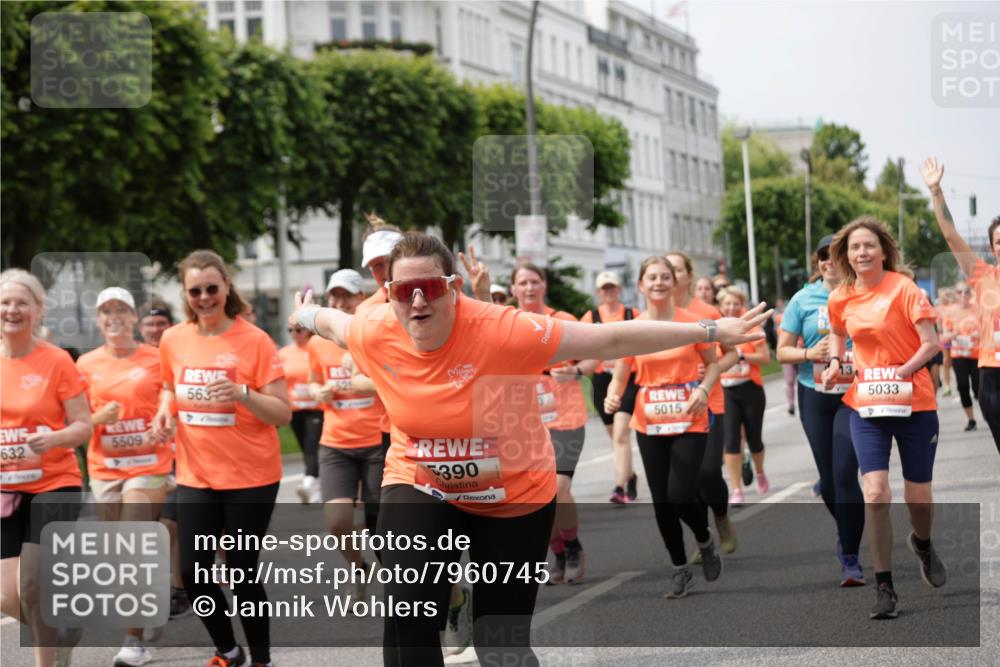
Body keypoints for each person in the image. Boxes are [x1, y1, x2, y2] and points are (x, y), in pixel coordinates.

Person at [290, 232, 769, 665]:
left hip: (512, 490)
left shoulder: (504, 329)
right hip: (421, 480)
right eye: (402, 291)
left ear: (454, 287)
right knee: (409, 614)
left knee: (501, 644)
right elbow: (331, 321)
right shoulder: (373, 328)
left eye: (431, 288)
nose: (417, 301)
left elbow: (613, 337)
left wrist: (710, 331)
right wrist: (303, 313)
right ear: (389, 295)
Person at [151, 250, 291, 667]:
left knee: (241, 572)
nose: (205, 297)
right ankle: (228, 650)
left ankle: (262, 658)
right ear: (185, 293)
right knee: (194, 574)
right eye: (195, 290)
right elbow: (168, 386)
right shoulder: (173, 339)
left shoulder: (255, 340)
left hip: (252, 477)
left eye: (212, 288)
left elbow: (282, 412)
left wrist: (243, 394)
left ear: (226, 287)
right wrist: (164, 411)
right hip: (196, 476)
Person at [823, 216, 946, 620]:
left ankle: (923, 545)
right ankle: (885, 587)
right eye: (855, 247)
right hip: (867, 406)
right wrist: (835, 364)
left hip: (914, 402)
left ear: (883, 250)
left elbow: (931, 344)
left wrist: (903, 369)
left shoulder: (905, 289)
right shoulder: (841, 297)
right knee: (875, 492)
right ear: (846, 254)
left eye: (869, 246)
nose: (862, 253)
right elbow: (839, 338)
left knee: (918, 498)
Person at [605, 256, 726, 598]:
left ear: (675, 284)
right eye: (652, 278)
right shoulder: (633, 329)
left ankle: (703, 539)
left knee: (679, 494)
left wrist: (703, 389)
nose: (659, 282)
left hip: (690, 417)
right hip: (650, 422)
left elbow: (713, 365)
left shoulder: (693, 323)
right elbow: (620, 375)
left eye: (665, 277)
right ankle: (679, 568)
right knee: (661, 503)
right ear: (641, 285)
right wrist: (612, 398)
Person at [76, 287, 175, 666]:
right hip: (105, 470)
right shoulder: (84, 364)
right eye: (106, 311)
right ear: (99, 320)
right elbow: (74, 421)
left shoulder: (155, 359)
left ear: (135, 318)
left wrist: (166, 424)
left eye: (121, 310)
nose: (114, 316)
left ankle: (134, 641)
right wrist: (98, 420)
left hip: (149, 467)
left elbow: (173, 399)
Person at [1, 269, 93, 667]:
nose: (12, 309)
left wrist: (54, 439)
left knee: (35, 582)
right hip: (5, 488)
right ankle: (62, 628)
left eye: (22, 302)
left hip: (54, 481)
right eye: (5, 302)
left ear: (38, 310)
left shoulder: (56, 361)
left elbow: (83, 425)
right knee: (7, 593)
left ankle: (46, 662)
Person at [778, 235, 866, 587]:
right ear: (817, 263)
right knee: (829, 481)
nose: (829, 261)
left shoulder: (862, 293)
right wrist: (808, 354)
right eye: (822, 257)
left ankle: (850, 556)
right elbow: (781, 352)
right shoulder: (802, 299)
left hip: (853, 394)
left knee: (845, 476)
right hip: (814, 393)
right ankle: (846, 529)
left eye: (835, 255)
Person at [510, 262, 595, 585]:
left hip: (565, 419)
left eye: (534, 281)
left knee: (558, 489)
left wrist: (574, 371)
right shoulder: (509, 324)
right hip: (526, 425)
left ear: (543, 286)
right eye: (522, 283)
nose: (529, 288)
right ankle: (557, 552)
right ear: (514, 289)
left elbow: (593, 356)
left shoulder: (562, 321)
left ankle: (573, 547)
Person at [308, 269, 385, 594]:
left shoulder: (375, 335)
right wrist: (317, 392)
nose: (339, 302)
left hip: (376, 443)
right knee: (337, 521)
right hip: (336, 444)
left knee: (380, 527)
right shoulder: (316, 342)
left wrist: (362, 382)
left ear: (361, 299)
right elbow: (313, 380)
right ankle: (358, 566)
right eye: (333, 296)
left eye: (346, 296)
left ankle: (403, 587)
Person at [922, 157, 1000, 449]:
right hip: (993, 374)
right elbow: (951, 236)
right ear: (992, 249)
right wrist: (936, 191)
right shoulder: (983, 275)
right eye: (999, 242)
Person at [666, 251, 737, 554]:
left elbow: (732, 353)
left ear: (688, 276)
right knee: (684, 482)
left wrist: (712, 370)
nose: (671, 275)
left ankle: (720, 516)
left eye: (677, 270)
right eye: (665, 270)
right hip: (668, 409)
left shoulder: (707, 312)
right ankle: (701, 532)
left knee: (708, 472)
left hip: (709, 402)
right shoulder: (657, 316)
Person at [579, 271, 640, 505]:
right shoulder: (591, 316)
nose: (609, 292)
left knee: (621, 431)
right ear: (598, 292)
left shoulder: (630, 314)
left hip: (628, 377)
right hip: (603, 380)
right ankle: (630, 475)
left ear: (619, 289)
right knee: (615, 436)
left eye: (612, 287)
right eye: (605, 289)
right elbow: (581, 343)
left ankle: (619, 486)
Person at [717, 287, 770, 504]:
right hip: (726, 391)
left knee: (754, 439)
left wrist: (740, 355)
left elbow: (765, 358)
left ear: (742, 305)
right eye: (727, 304)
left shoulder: (751, 327)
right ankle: (736, 488)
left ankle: (758, 471)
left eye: (735, 304)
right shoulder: (714, 329)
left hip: (750, 389)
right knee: (730, 440)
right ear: (720, 306)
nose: (731, 307)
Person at [279, 317, 323, 504]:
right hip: (295, 408)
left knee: (312, 445)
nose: (294, 334)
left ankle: (308, 483)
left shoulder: (317, 348)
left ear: (308, 331)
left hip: (316, 408)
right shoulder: (284, 353)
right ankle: (318, 485)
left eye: (298, 330)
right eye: (290, 330)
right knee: (305, 448)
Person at [942, 282, 981, 431]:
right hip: (959, 354)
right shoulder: (951, 312)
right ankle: (971, 420)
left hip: (976, 354)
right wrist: (953, 335)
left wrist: (980, 334)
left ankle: (989, 414)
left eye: (966, 292)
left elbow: (988, 329)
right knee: (963, 387)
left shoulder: (977, 310)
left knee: (979, 390)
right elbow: (945, 336)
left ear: (971, 294)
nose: (963, 294)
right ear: (956, 294)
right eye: (960, 292)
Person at [936, 287, 958, 396]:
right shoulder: (939, 308)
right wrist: (941, 334)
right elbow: (939, 324)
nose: (946, 297)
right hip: (946, 337)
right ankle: (946, 385)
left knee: (957, 361)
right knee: (946, 361)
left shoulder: (955, 306)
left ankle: (959, 383)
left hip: (958, 337)